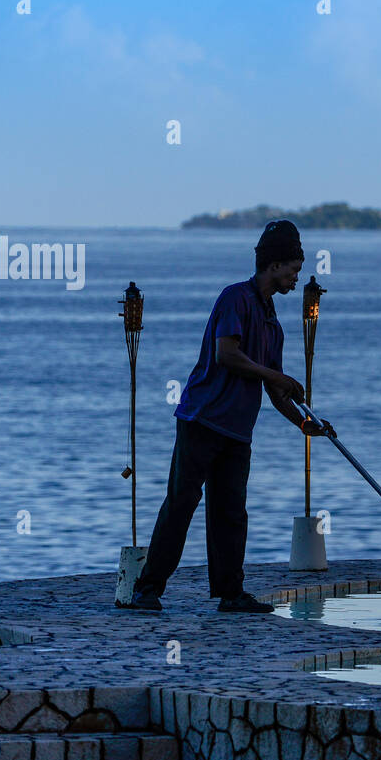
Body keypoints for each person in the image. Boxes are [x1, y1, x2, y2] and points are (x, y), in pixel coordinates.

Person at [119, 220, 334, 612]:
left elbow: (276, 392)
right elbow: (227, 355)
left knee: (231, 512)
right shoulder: (234, 299)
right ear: (272, 266)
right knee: (181, 504)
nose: (295, 277)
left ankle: (230, 594)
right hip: (201, 420)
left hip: (238, 432)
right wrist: (277, 375)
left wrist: (306, 424)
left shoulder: (274, 325)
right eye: (292, 269)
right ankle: (147, 589)